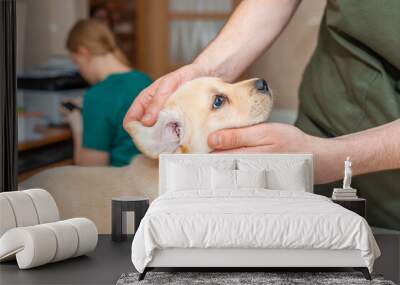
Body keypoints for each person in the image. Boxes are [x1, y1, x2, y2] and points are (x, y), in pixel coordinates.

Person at [123, 1, 400, 230]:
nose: (256, 83)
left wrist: (333, 157)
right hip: (321, 124)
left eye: (220, 99)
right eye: (220, 99)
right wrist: (207, 69)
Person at [64, 19, 152, 167]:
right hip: (149, 178)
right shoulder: (144, 79)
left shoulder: (97, 95)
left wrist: (77, 125)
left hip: (119, 183)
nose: (79, 71)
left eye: (76, 62)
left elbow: (91, 168)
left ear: (84, 52)